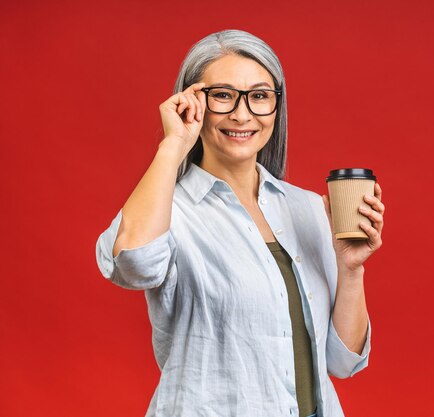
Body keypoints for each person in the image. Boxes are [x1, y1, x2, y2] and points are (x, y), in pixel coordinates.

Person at [95, 29, 385, 417]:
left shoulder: (307, 208)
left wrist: (351, 269)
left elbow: (342, 361)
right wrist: (173, 145)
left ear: (277, 106)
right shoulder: (169, 209)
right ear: (192, 102)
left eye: (260, 96)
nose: (242, 114)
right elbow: (134, 265)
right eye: (223, 95)